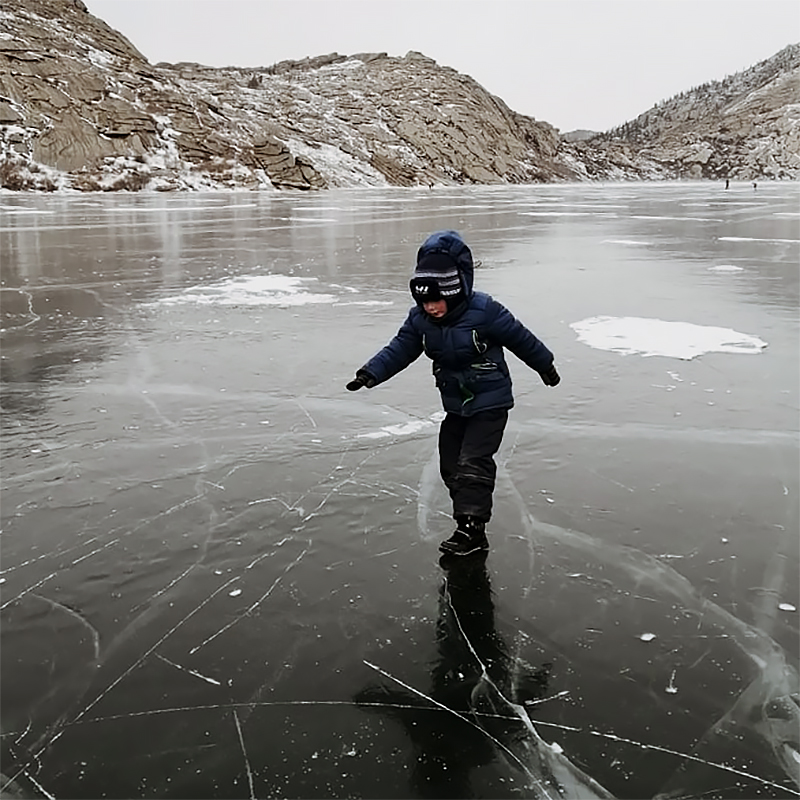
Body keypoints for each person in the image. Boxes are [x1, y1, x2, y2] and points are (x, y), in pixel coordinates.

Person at [345, 230, 560, 556]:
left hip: (490, 401)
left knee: (473, 461)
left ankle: (471, 529)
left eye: (436, 300)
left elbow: (522, 339)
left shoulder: (484, 311)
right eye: (423, 301)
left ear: (455, 291)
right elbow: (400, 349)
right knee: (450, 465)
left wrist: (545, 366)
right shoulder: (420, 320)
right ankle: (466, 514)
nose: (430, 307)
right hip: (456, 405)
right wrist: (370, 373)